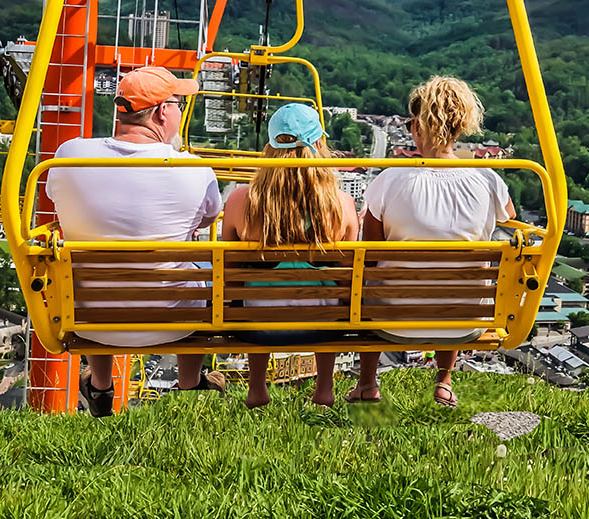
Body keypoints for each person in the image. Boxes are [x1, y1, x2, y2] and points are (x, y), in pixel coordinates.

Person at [45, 66, 223, 417]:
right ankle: (190, 382)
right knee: (203, 257)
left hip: (88, 317)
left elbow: (54, 195)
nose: (180, 113)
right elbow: (209, 216)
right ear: (161, 112)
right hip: (171, 321)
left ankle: (99, 385)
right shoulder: (193, 169)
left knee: (91, 259)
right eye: (179, 105)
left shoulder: (70, 154)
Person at [347, 76, 514, 408]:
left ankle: (367, 383)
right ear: (459, 127)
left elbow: (370, 255)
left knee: (368, 281)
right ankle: (444, 382)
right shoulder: (488, 179)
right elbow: (508, 215)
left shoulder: (388, 179)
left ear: (416, 127)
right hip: (464, 321)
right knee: (457, 275)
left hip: (393, 321)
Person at [219, 103, 360, 408]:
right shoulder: (342, 205)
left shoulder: (242, 201)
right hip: (324, 326)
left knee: (251, 284)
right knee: (330, 291)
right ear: (319, 145)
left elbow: (229, 274)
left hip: (257, 325)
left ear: (269, 147)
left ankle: (257, 389)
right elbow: (347, 280)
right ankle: (324, 388)